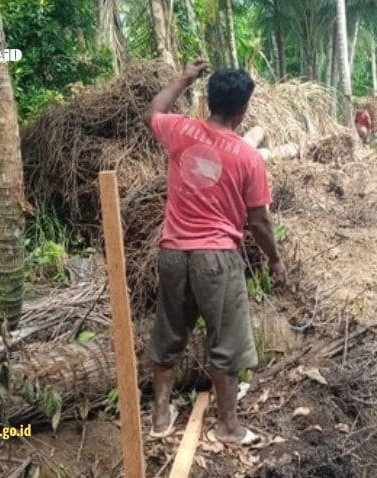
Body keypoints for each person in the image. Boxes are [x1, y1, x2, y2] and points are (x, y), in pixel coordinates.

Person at [142, 60, 286, 446]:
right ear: (243, 110)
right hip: (217, 260)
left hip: (173, 253)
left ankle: (160, 416)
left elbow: (153, 111)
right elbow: (258, 221)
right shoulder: (247, 157)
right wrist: (274, 259)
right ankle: (228, 426)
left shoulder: (180, 130)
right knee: (226, 341)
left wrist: (185, 77)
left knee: (169, 334)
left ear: (207, 99)